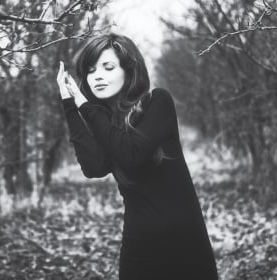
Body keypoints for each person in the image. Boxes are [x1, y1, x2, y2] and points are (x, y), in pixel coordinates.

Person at [56, 33, 218, 280]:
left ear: (129, 70)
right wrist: (69, 103)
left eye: (107, 67)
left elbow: (131, 154)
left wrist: (84, 106)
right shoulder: (103, 122)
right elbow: (94, 167)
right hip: (139, 243)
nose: (97, 75)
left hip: (184, 241)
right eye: (90, 71)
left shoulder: (157, 102)